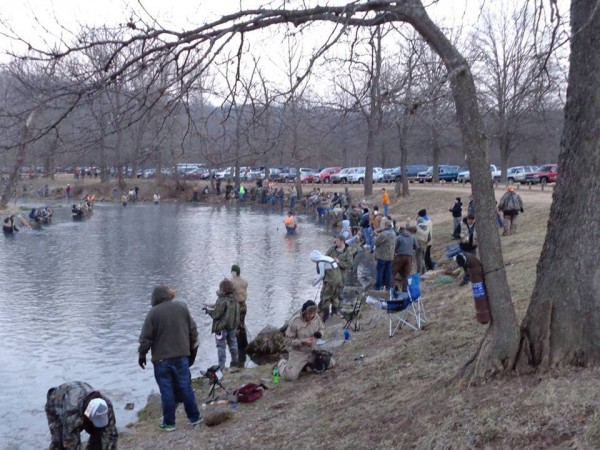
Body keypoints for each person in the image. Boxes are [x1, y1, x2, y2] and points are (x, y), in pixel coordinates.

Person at [138, 285, 201, 431]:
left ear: (155, 298)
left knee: (166, 390)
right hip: (182, 356)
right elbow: (193, 331)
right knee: (186, 387)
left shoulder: (153, 313)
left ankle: (169, 423)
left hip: (161, 360)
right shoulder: (182, 308)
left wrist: (142, 354)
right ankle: (195, 418)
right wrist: (191, 351)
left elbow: (145, 338)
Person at [45, 381, 118, 449]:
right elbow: (71, 443)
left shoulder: (106, 405)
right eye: (96, 419)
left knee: (99, 433)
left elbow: (111, 434)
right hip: (56, 405)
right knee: (59, 441)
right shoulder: (72, 412)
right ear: (88, 414)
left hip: (78, 397)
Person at [277, 300, 334, 381]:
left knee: (330, 363)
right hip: (298, 352)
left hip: (312, 350)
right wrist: (302, 341)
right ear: (304, 312)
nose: (310, 317)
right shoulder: (295, 321)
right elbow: (287, 341)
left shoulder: (316, 317)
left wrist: (319, 334)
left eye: (312, 315)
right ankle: (282, 363)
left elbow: (322, 328)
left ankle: (305, 366)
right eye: (308, 315)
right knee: (290, 376)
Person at [205, 279, 240, 369]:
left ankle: (221, 367)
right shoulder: (235, 298)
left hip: (221, 328)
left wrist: (207, 311)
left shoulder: (222, 300)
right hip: (232, 326)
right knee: (233, 344)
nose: (219, 289)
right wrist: (214, 305)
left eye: (220, 287)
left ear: (223, 289)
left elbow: (216, 315)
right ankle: (235, 363)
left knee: (221, 347)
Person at [310, 249, 343, 322]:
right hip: (338, 279)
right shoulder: (327, 258)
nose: (314, 262)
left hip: (331, 281)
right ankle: (334, 314)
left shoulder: (321, 261)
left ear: (314, 258)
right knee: (335, 297)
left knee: (326, 298)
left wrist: (314, 283)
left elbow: (322, 275)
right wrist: (316, 278)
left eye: (313, 260)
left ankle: (325, 317)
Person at [229, 264, 249, 366]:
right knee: (242, 325)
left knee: (236, 326)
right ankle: (245, 346)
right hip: (244, 306)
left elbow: (229, 289)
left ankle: (239, 348)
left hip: (236, 307)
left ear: (234, 272)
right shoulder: (245, 281)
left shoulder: (231, 281)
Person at [373, 217, 396, 291]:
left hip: (382, 256)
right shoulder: (393, 232)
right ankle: (388, 286)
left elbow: (376, 242)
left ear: (386, 226)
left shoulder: (384, 234)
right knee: (388, 271)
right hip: (390, 256)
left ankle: (378, 287)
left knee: (380, 271)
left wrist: (375, 236)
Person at [393, 225, 417, 292]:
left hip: (400, 257)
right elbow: (416, 247)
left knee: (392, 273)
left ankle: (392, 289)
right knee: (405, 275)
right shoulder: (412, 237)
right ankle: (405, 291)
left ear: (399, 231)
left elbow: (394, 248)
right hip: (409, 257)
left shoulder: (398, 237)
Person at [459, 214, 478, 286]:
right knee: (465, 264)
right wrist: (462, 237)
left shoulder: (476, 224)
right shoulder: (462, 224)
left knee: (473, 263)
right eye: (471, 221)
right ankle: (466, 278)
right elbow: (456, 234)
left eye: (473, 221)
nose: (472, 222)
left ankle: (472, 278)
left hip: (473, 247)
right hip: (464, 247)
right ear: (468, 220)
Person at [414, 209, 434, 273]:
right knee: (427, 255)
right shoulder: (429, 220)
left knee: (423, 257)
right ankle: (429, 268)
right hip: (429, 240)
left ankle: (428, 269)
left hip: (424, 241)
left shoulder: (424, 223)